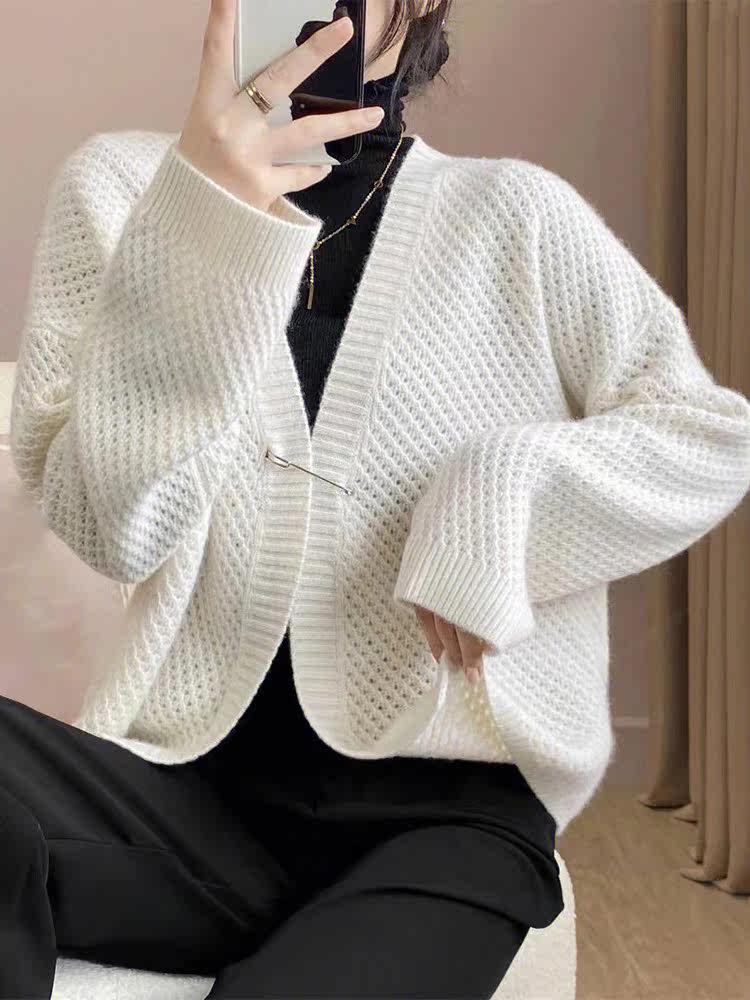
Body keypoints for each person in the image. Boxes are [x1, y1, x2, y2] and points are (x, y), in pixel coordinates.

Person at [5, 0, 750, 997]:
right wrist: (202, 223)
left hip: (445, 826)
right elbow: (112, 532)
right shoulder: (121, 189)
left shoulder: (516, 214)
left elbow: (710, 433)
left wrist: (499, 490)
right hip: (191, 795)